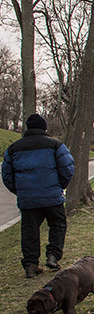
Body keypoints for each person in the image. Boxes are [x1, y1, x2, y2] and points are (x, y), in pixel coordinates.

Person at [2, 114, 74, 278]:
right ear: (44, 128)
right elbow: (68, 168)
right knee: (57, 224)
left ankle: (31, 264)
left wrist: (20, 190)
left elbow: (6, 175)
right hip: (52, 196)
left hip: (28, 199)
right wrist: (60, 186)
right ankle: (53, 255)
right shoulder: (55, 145)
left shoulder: (14, 148)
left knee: (29, 231)